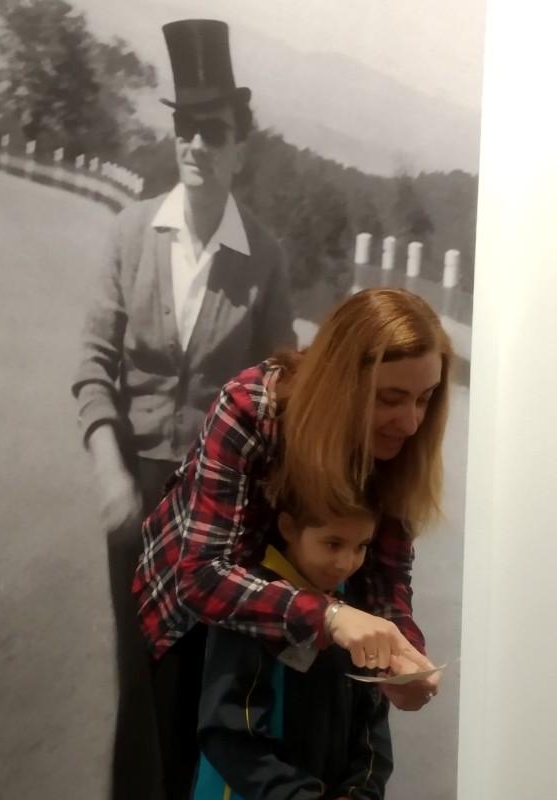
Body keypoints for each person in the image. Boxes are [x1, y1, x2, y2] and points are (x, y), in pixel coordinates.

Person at [72, 18, 295, 800]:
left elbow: (284, 392)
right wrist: (111, 468)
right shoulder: (131, 234)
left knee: (198, 685)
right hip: (137, 492)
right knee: (141, 683)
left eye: (214, 131)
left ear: (239, 149)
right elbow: (93, 366)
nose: (196, 144)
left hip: (218, 505)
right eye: (185, 128)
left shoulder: (264, 259)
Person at [134, 286, 454, 798]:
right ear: (341, 384)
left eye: (424, 398)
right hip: (198, 626)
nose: (412, 422)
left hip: (311, 627)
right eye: (390, 399)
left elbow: (388, 576)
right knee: (195, 767)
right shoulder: (250, 406)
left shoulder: (400, 447)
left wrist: (403, 655)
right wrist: (330, 615)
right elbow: (202, 576)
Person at [193, 498, 394, 800]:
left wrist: (360, 792)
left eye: (361, 546)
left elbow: (372, 721)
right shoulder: (248, 604)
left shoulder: (355, 604)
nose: (346, 563)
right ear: (288, 527)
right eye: (333, 544)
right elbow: (228, 733)